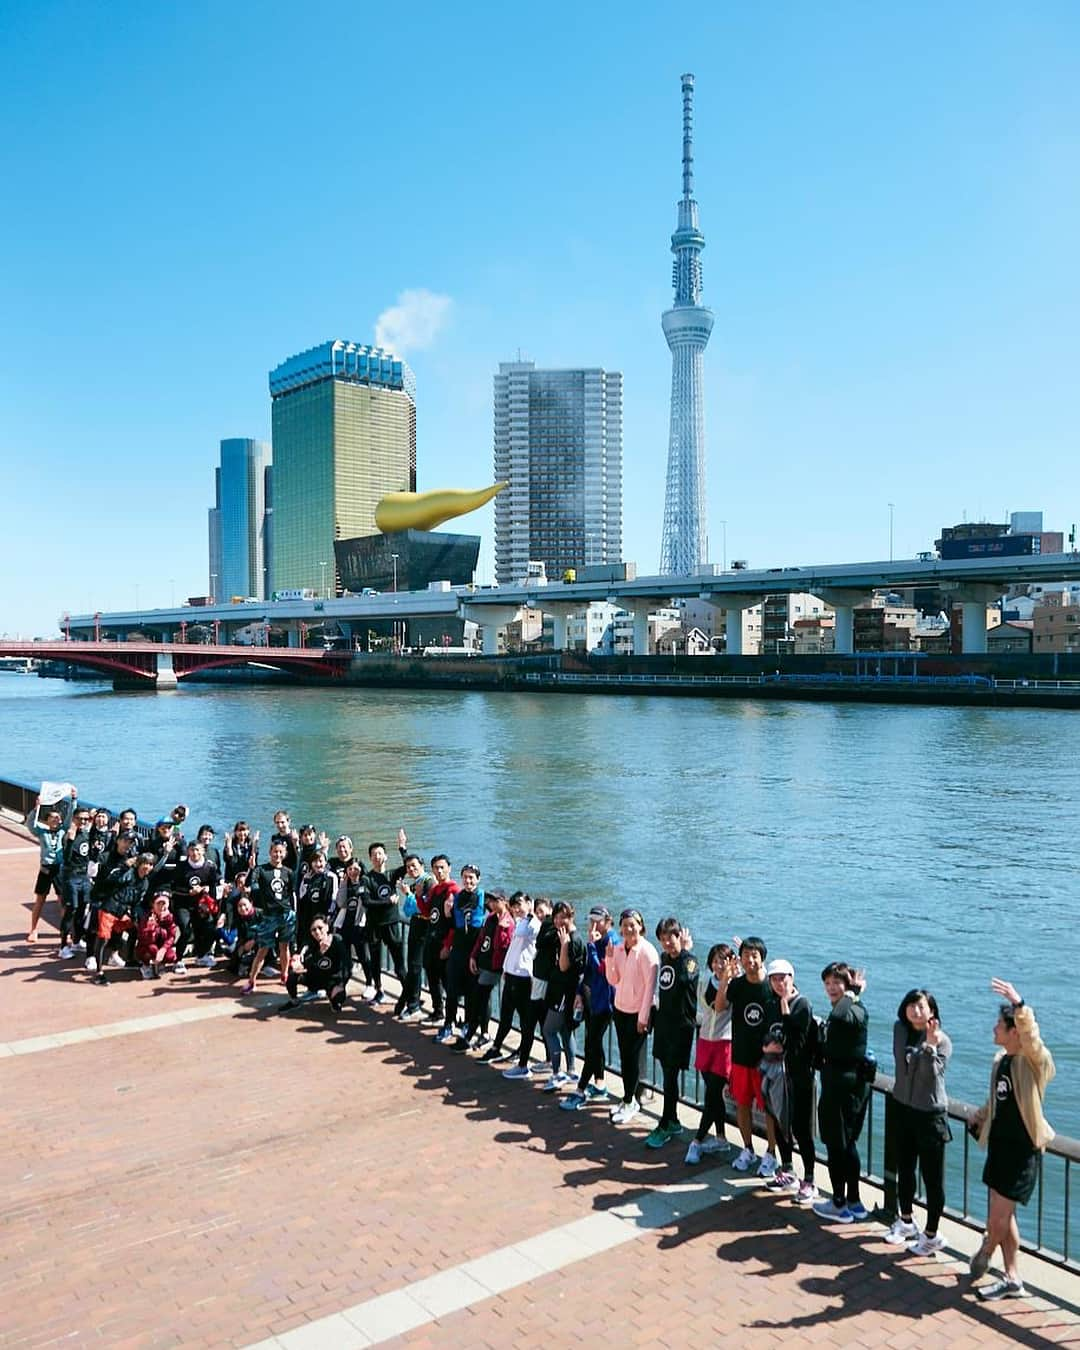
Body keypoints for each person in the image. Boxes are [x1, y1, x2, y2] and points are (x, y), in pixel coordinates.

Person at [969, 978, 1055, 1301]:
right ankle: (1012, 1278)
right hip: (1000, 1147)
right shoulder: (1000, 1062)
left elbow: (1033, 1040)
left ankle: (984, 1254)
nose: (994, 1029)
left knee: (997, 1219)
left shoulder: (1032, 1064)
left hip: (1022, 1152)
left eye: (999, 1026)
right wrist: (980, 1115)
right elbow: (997, 1100)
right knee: (1006, 1218)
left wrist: (1020, 1005)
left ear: (1014, 1031)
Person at [884, 988, 952, 1255]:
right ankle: (906, 1220)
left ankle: (932, 1234)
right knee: (905, 1168)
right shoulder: (900, 1030)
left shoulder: (943, 1042)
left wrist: (930, 1046)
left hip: (930, 1115)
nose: (915, 1010)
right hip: (902, 1107)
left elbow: (930, 1076)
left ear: (932, 1012)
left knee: (932, 1178)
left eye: (921, 1006)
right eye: (911, 1005)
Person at [714, 937, 780, 1176]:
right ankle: (748, 1148)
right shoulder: (738, 984)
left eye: (755, 955)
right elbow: (720, 1007)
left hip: (766, 1063)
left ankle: (771, 1154)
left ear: (763, 958)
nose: (750, 960)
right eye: (746, 955)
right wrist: (725, 979)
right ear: (740, 958)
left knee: (770, 1110)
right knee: (742, 1104)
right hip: (740, 1057)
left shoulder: (772, 986)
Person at [814, 962, 872, 1223]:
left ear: (848, 984)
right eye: (827, 983)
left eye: (837, 982)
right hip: (845, 1084)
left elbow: (838, 1017)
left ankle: (839, 1203)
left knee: (837, 1144)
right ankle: (854, 1201)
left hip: (842, 1087)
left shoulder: (854, 1009)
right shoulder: (850, 1009)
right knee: (847, 1144)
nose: (831, 988)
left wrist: (852, 994)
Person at [760, 959, 818, 1200]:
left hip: (798, 1077)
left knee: (802, 1130)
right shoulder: (772, 1003)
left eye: (783, 978)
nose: (779, 983)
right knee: (779, 1123)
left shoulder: (801, 1004)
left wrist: (785, 1013)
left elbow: (797, 1042)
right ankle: (787, 1170)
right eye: (774, 979)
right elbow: (766, 1035)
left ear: (792, 978)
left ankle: (810, 1180)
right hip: (774, 1073)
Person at [646, 917, 698, 1148]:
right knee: (667, 1075)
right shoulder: (664, 958)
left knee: (670, 1075)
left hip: (681, 1027)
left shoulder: (690, 961)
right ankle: (673, 1120)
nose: (667, 943)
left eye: (671, 937)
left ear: (680, 937)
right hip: (664, 1024)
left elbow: (685, 980)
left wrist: (685, 952)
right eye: (663, 938)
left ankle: (666, 1122)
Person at [603, 908, 659, 1125]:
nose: (628, 929)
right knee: (625, 1056)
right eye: (625, 925)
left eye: (632, 924)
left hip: (637, 1013)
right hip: (620, 1008)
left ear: (641, 926)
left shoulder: (647, 952)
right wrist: (609, 959)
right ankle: (627, 1099)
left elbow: (649, 989)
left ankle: (630, 1101)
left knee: (632, 1058)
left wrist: (643, 1018)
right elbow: (613, 979)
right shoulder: (618, 948)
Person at [559, 905, 616, 1111]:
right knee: (594, 1044)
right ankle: (600, 1084)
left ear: (608, 921)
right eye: (590, 920)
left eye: (597, 920)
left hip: (605, 1004)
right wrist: (578, 993)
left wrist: (592, 946)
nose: (593, 924)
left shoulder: (612, 942)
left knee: (592, 1046)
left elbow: (604, 971)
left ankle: (580, 1090)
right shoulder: (597, 940)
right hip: (591, 1001)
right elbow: (586, 971)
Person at [686, 943, 736, 1165]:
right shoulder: (707, 981)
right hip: (706, 1038)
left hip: (725, 1042)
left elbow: (723, 1006)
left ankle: (697, 1141)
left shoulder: (736, 985)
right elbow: (712, 1005)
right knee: (713, 1094)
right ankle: (721, 1138)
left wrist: (730, 976)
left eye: (723, 960)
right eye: (715, 960)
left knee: (713, 1093)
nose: (719, 964)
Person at [537, 901, 587, 1091]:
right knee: (566, 1031)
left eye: (563, 917)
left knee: (549, 1031)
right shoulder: (563, 934)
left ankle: (557, 1073)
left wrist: (564, 945)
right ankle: (572, 1070)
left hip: (564, 994)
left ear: (571, 916)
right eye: (556, 917)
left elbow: (565, 967)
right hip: (561, 991)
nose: (558, 921)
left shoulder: (572, 940)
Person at [456, 889, 514, 1049]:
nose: (492, 904)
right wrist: (473, 957)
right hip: (482, 962)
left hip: (494, 967)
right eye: (490, 901)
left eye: (496, 900)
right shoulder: (490, 918)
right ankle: (478, 1033)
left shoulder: (509, 922)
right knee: (480, 998)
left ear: (504, 901)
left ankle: (476, 1035)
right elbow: (482, 939)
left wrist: (502, 929)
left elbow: (503, 947)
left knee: (479, 998)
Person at [92, 851, 161, 985]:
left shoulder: (145, 883)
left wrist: (137, 917)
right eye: (145, 863)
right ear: (139, 864)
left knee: (134, 930)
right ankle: (99, 973)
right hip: (109, 908)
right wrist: (124, 866)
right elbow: (114, 880)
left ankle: (129, 958)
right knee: (103, 939)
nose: (147, 867)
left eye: (150, 864)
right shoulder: (128, 874)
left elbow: (136, 902)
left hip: (123, 911)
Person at [437, 864, 485, 1042]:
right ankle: (448, 1023)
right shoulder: (457, 897)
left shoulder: (482, 896)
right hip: (458, 950)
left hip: (474, 952)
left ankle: (468, 1024)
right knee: (452, 990)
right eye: (465, 877)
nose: (468, 880)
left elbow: (496, 913)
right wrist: (448, 914)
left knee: (472, 992)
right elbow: (452, 925)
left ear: (478, 879)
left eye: (472, 877)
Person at [243, 840, 297, 994]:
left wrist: (293, 912)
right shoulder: (261, 870)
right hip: (269, 916)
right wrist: (251, 868)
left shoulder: (289, 872)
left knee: (284, 946)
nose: (278, 855)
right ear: (270, 852)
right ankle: (252, 980)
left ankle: (284, 974)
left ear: (285, 854)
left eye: (281, 852)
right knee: (263, 949)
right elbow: (249, 885)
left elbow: (292, 893)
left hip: (287, 914)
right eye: (275, 851)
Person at [25, 788, 77, 942]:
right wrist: (37, 807)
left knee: (62, 900)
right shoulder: (41, 832)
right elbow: (30, 823)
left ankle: (65, 930)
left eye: (58, 818)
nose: (56, 820)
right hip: (46, 868)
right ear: (47, 820)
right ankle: (33, 929)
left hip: (60, 869)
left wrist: (74, 799)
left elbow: (70, 817)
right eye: (53, 818)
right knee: (40, 899)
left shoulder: (63, 831)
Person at [421, 855, 459, 1026]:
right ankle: (438, 1011)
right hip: (431, 938)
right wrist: (417, 895)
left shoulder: (453, 891)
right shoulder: (435, 890)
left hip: (443, 941)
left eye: (442, 867)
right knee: (431, 976)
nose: (439, 871)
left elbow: (454, 923)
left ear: (449, 868)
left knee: (447, 981)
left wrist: (447, 945)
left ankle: (452, 1017)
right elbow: (427, 912)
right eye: (436, 867)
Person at [394, 852, 432, 1021]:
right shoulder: (416, 883)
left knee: (417, 967)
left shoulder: (428, 882)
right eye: (408, 867)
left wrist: (409, 895)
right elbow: (409, 911)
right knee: (413, 966)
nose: (411, 869)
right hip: (416, 926)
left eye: (414, 866)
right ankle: (412, 1001)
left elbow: (423, 908)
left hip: (425, 927)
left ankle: (413, 1004)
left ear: (422, 866)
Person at [283, 917, 348, 1013]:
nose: (317, 932)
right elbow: (306, 964)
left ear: (327, 927)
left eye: (320, 928)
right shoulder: (309, 943)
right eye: (313, 930)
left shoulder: (337, 941)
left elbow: (347, 965)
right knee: (291, 975)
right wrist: (319, 953)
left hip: (332, 980)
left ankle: (334, 1001)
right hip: (314, 978)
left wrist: (341, 984)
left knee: (339, 996)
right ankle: (294, 1001)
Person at [59, 805, 95, 958]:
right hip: (71, 877)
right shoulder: (68, 835)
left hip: (84, 876)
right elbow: (66, 858)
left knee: (82, 908)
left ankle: (77, 940)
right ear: (74, 819)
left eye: (86, 819)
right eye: (79, 818)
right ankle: (63, 947)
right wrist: (70, 840)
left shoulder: (87, 834)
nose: (83, 821)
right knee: (71, 909)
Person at [136, 891, 179, 978]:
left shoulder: (169, 917)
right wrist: (151, 928)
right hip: (146, 946)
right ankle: (146, 966)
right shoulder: (147, 917)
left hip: (161, 945)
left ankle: (160, 964)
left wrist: (163, 950)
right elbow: (144, 939)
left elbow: (171, 936)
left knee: (171, 955)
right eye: (158, 904)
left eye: (164, 904)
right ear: (153, 905)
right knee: (152, 949)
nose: (162, 907)